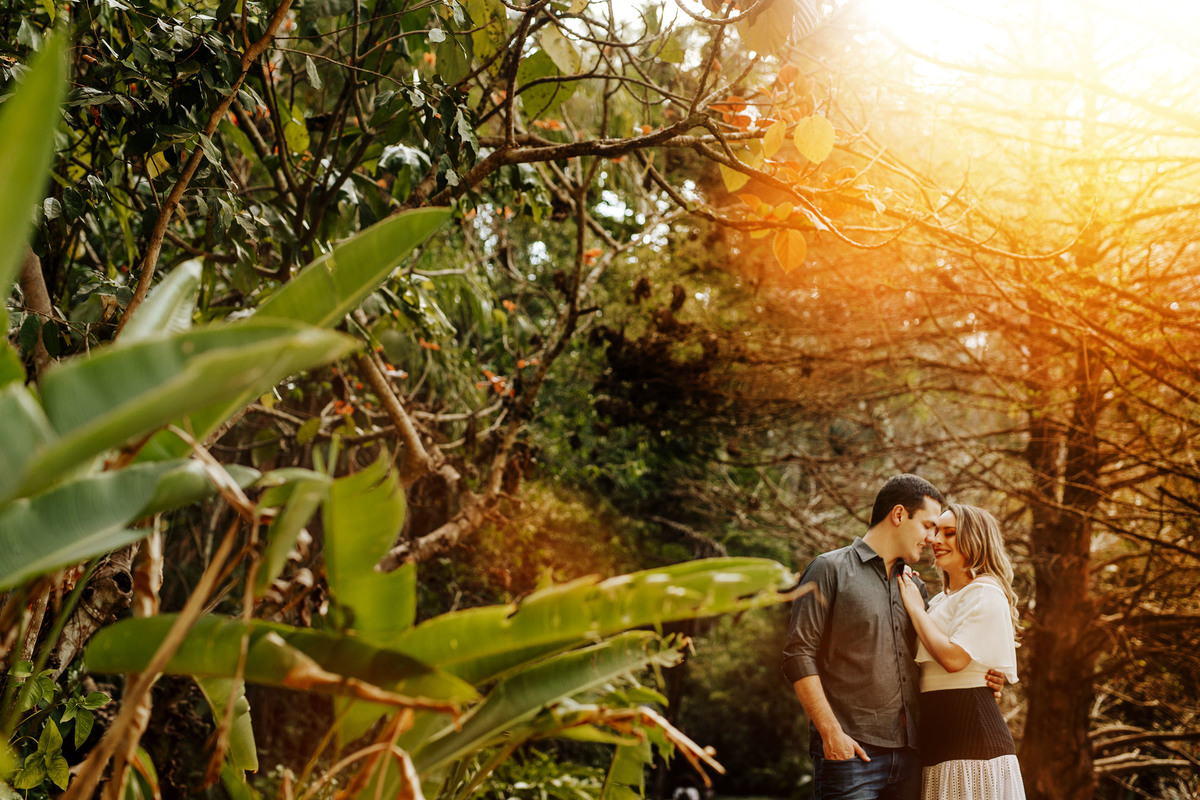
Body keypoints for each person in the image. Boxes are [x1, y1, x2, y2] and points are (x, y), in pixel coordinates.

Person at [782, 475, 1006, 800]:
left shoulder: (915, 588)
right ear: (899, 515)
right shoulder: (829, 569)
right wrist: (830, 733)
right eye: (928, 526)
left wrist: (983, 679)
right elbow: (798, 656)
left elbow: (933, 658)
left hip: (913, 758)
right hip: (852, 756)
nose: (932, 538)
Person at [898, 504, 1024, 800]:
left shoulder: (985, 591)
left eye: (949, 533)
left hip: (974, 746)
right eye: (936, 531)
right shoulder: (942, 599)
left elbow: (954, 659)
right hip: (940, 745)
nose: (936, 540)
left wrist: (916, 609)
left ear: (976, 541)